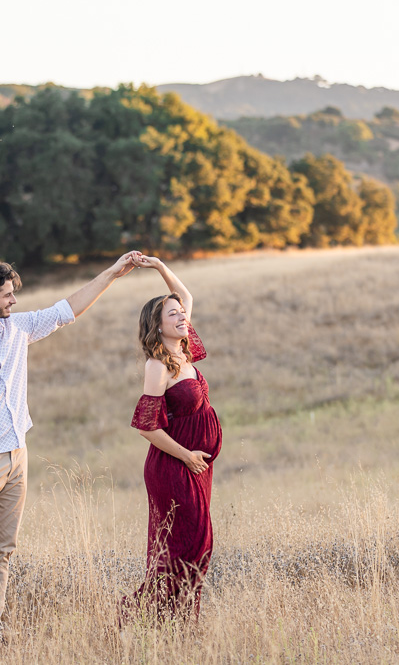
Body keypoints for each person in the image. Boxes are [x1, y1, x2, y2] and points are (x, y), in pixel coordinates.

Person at [0, 253, 138, 646]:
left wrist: (111, 274)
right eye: (7, 295)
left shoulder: (16, 329)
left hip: (16, 458)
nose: (15, 301)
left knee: (3, 551)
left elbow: (64, 311)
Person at [123, 254, 222, 621]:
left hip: (195, 466)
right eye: (173, 315)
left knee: (196, 546)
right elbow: (147, 426)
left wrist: (159, 265)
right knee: (188, 545)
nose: (182, 316)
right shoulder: (158, 364)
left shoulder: (184, 351)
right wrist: (186, 456)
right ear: (158, 326)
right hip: (174, 466)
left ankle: (181, 623)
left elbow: (184, 294)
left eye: (182, 313)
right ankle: (139, 616)